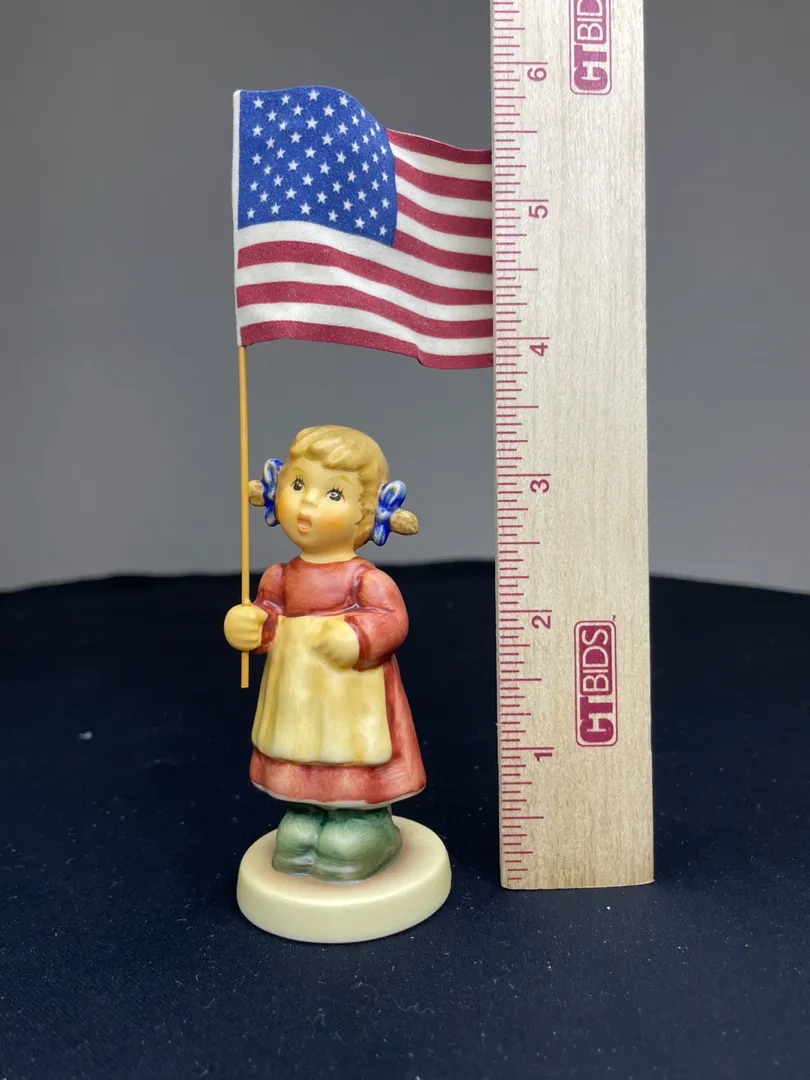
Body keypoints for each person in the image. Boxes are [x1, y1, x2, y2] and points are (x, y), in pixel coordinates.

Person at [223, 425, 425, 882]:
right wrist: (248, 626)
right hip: (297, 695)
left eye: (333, 494)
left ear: (367, 513)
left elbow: (392, 620)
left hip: (349, 697)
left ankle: (363, 821)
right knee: (299, 749)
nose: (308, 503)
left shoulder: (365, 580)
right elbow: (267, 618)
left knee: (350, 754)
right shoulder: (279, 577)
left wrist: (357, 637)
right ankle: (306, 812)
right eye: (298, 484)